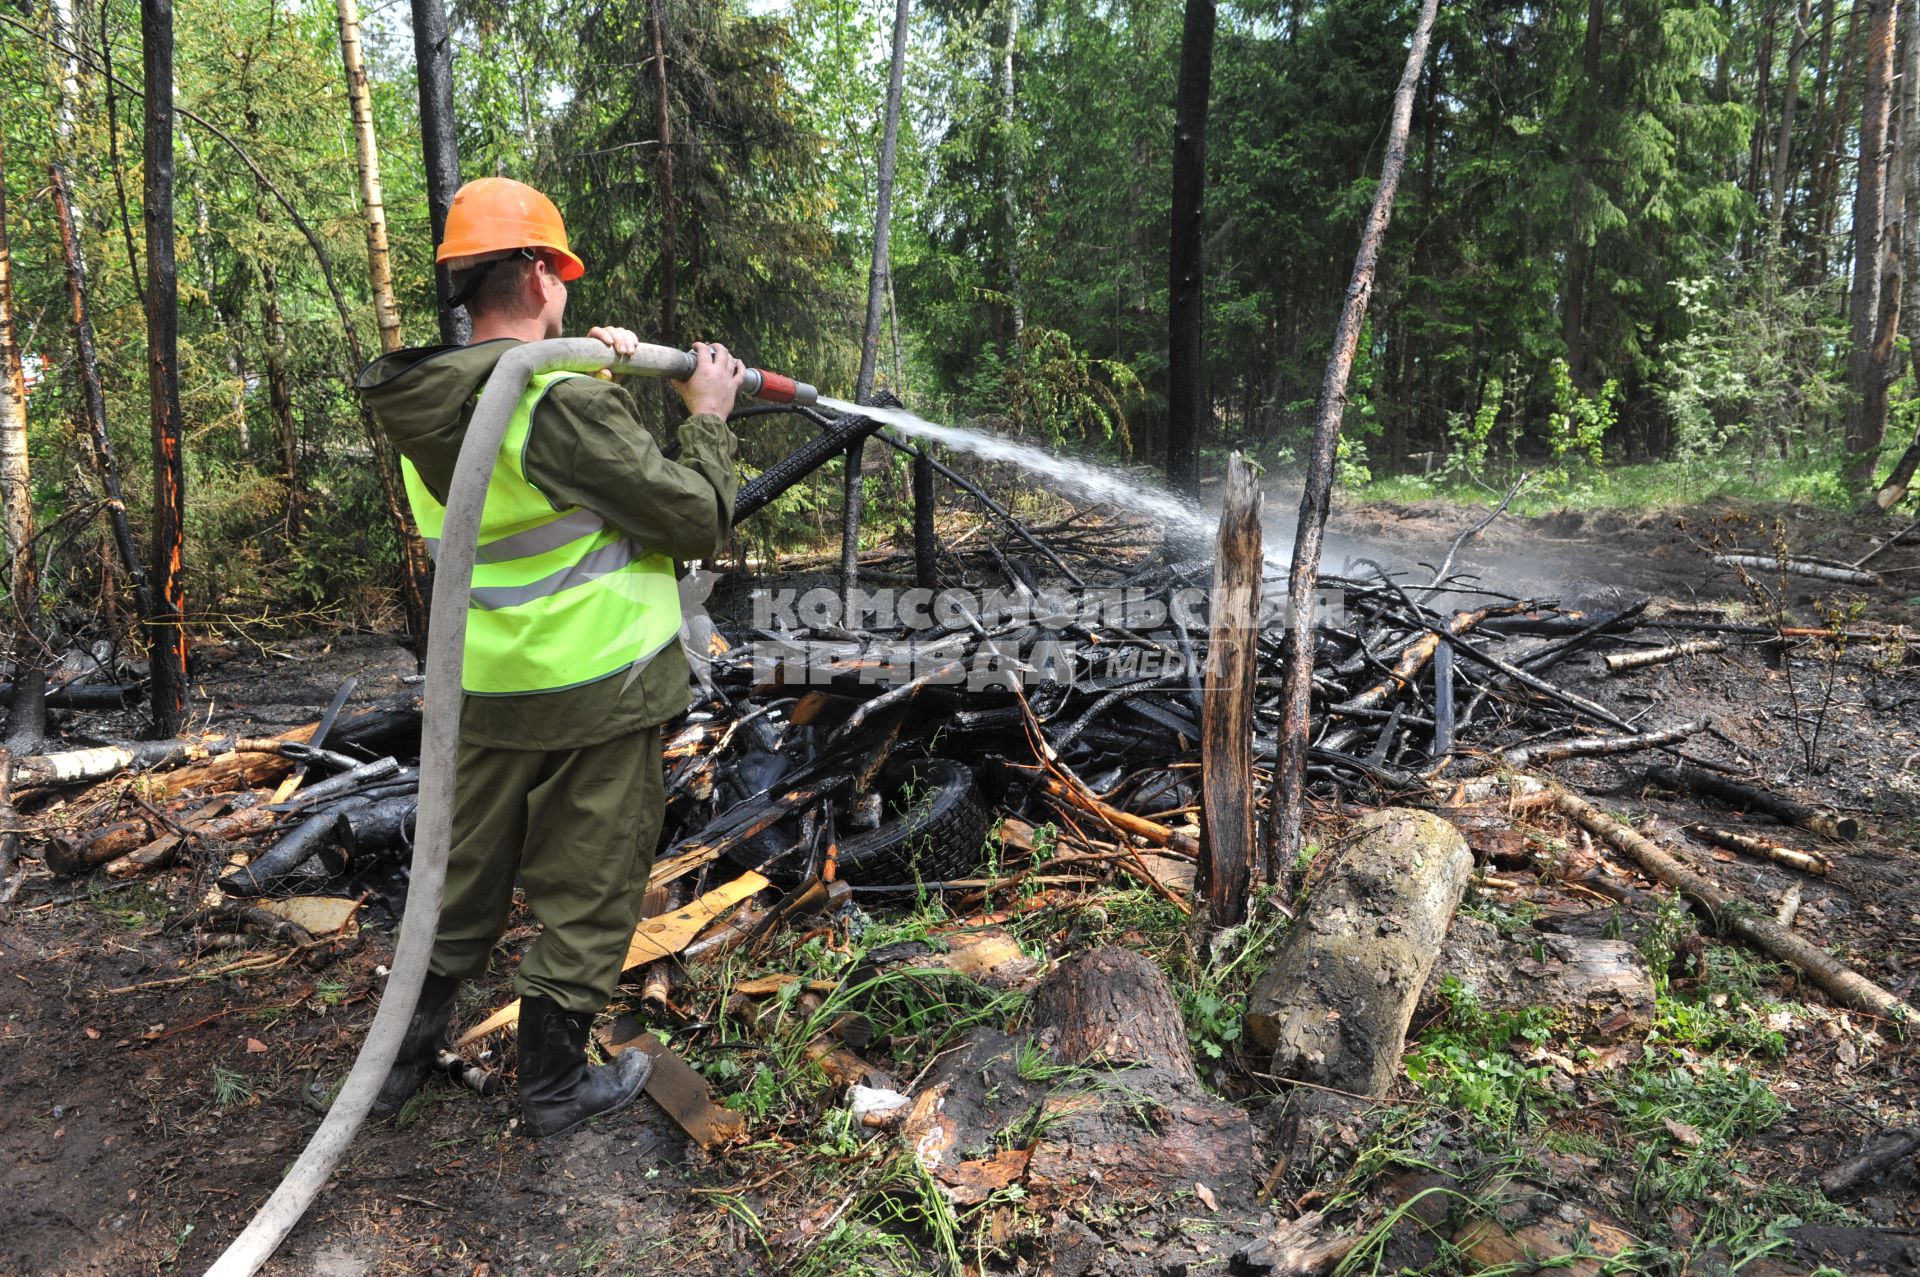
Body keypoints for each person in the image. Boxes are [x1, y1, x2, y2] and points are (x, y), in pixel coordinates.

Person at [355, 176, 742, 1137]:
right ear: (536, 272)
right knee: (591, 879)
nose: (567, 287)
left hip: (487, 687)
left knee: (458, 873)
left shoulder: (439, 407)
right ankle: (555, 1083)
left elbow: (549, 502)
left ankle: (394, 1069)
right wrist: (707, 415)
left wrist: (595, 386)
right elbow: (691, 513)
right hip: (597, 686)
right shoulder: (555, 403)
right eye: (561, 270)